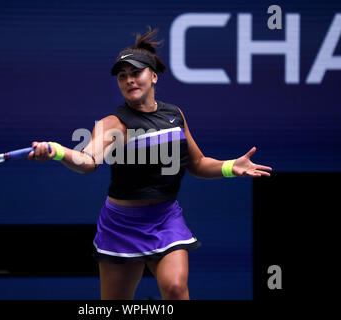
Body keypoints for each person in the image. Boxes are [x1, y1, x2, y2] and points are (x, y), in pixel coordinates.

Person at [28, 27, 272, 300]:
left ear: (153, 76)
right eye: (122, 76)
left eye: (136, 73)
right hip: (121, 226)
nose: (129, 80)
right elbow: (87, 161)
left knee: (176, 289)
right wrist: (59, 151)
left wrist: (230, 167)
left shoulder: (174, 114)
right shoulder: (113, 123)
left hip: (165, 219)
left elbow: (198, 163)